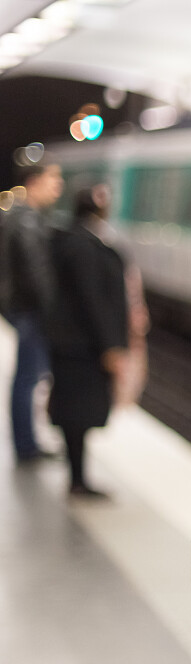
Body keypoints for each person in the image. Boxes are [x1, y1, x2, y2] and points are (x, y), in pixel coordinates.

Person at [45, 184, 130, 498]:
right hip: (81, 347)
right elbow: (91, 299)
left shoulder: (75, 239)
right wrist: (110, 345)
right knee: (78, 413)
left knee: (74, 412)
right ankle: (78, 480)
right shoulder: (83, 245)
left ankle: (78, 476)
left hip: (73, 344)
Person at [0, 162, 63, 463]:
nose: (58, 185)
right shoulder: (26, 220)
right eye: (54, 178)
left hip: (21, 308)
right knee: (26, 379)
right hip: (29, 310)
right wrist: (54, 312)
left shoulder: (24, 217)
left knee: (26, 377)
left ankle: (27, 442)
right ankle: (26, 446)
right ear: (35, 181)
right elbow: (36, 273)